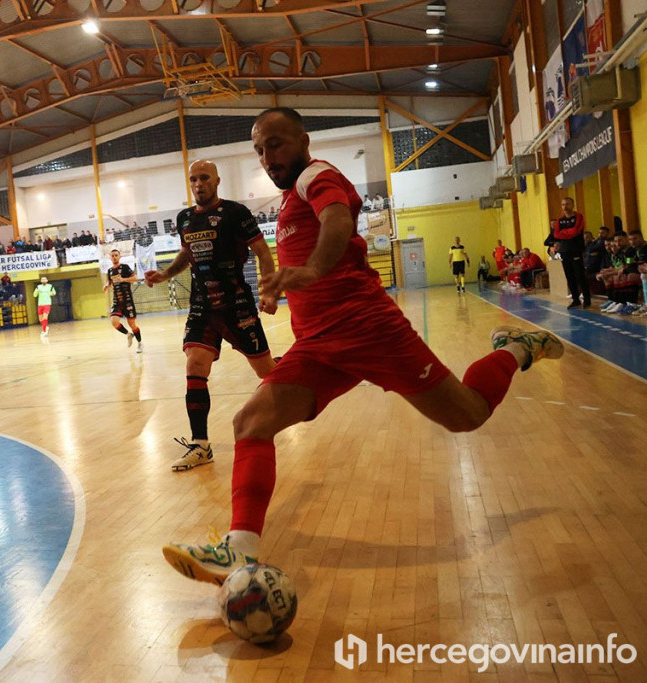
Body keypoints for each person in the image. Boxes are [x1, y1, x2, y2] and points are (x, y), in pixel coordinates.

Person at [162, 107, 564, 585]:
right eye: (259, 150)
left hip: (369, 330)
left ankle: (517, 348)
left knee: (468, 415)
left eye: (275, 144)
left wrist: (311, 271)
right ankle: (238, 549)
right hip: (318, 344)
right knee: (251, 422)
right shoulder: (290, 199)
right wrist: (281, 286)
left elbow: (335, 219)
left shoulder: (318, 176)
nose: (267, 157)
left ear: (303, 140)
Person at [145, 159, 278, 472]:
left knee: (266, 372)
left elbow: (264, 254)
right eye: (193, 179)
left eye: (204, 178)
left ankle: (292, 381)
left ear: (217, 180)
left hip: (237, 306)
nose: (198, 184)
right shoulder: (185, 219)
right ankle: (201, 445)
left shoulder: (236, 213)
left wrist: (269, 292)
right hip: (202, 307)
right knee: (194, 366)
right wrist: (165, 274)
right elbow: (187, 255)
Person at [546, 197, 591, 309]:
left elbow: (575, 231)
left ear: (573, 205)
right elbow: (556, 234)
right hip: (564, 251)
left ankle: (587, 299)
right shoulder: (559, 220)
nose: (565, 207)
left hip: (576, 249)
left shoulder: (578, 217)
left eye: (567, 204)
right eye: (563, 204)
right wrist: (566, 234)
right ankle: (575, 299)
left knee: (580, 275)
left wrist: (564, 233)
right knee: (569, 276)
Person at [103, 248, 143, 353]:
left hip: (128, 301)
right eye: (112, 256)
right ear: (110, 257)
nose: (114, 257)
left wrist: (123, 279)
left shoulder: (125, 268)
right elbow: (111, 281)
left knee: (132, 325)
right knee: (114, 321)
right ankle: (128, 335)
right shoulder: (110, 270)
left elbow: (136, 278)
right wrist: (107, 285)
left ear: (119, 256)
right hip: (117, 301)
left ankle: (140, 343)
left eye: (116, 255)